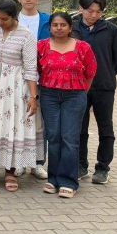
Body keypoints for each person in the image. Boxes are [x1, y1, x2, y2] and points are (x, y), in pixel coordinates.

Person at [0, 0, 43, 192]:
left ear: (14, 17)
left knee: (12, 127)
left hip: (15, 89)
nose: (0, 22)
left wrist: (33, 97)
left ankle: (10, 171)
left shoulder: (26, 35)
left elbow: (31, 67)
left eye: (4, 19)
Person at [38, 12, 97, 198]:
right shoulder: (41, 46)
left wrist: (81, 93)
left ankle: (68, 182)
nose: (59, 28)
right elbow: (36, 71)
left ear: (70, 27)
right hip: (49, 95)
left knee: (70, 139)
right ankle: (53, 179)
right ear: (50, 27)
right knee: (53, 137)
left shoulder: (83, 47)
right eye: (55, 25)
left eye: (63, 25)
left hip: (74, 96)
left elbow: (90, 72)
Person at [72, 0, 117, 185]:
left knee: (105, 128)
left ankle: (103, 168)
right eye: (90, 11)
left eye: (98, 12)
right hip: (78, 87)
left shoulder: (111, 30)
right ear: (81, 8)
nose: (94, 15)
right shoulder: (73, 29)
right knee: (79, 128)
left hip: (104, 87)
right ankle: (81, 166)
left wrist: (107, 73)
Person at [15, 0, 51, 180]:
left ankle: (38, 163)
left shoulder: (47, 20)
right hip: (17, 78)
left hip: (42, 78)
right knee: (19, 120)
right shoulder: (13, 20)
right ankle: (19, 162)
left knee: (39, 123)